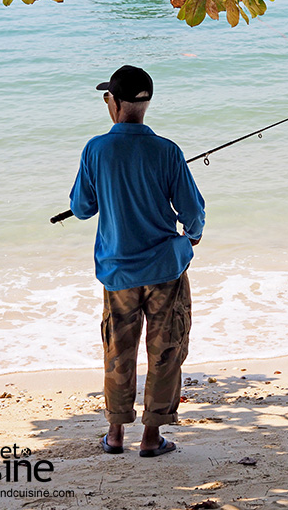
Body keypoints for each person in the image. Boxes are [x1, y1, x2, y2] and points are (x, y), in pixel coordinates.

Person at [69, 65, 206, 457]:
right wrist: (191, 237)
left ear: (113, 102)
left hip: (118, 272)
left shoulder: (96, 149)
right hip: (166, 268)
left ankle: (115, 434)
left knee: (118, 350)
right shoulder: (167, 150)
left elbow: (82, 208)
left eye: (107, 98)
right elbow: (192, 211)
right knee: (166, 351)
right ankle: (151, 438)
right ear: (146, 103)